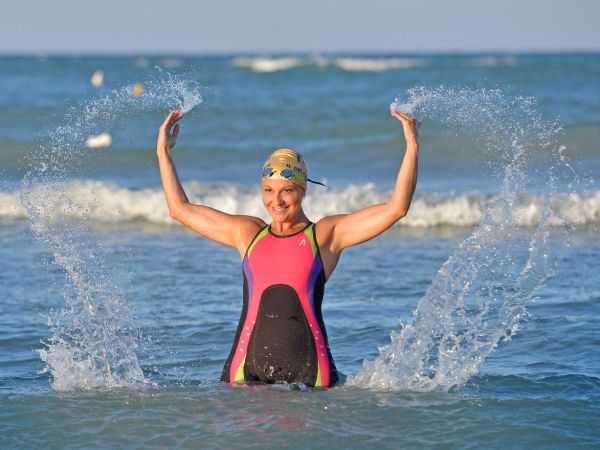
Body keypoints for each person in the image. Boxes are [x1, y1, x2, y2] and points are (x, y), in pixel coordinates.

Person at [156, 109, 420, 387]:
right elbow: (180, 210)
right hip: (245, 371)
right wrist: (164, 151)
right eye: (268, 190)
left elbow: (396, 208)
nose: (276, 201)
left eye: (287, 190)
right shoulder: (248, 234)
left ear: (303, 191)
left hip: (311, 374)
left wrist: (412, 147)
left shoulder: (325, 235)